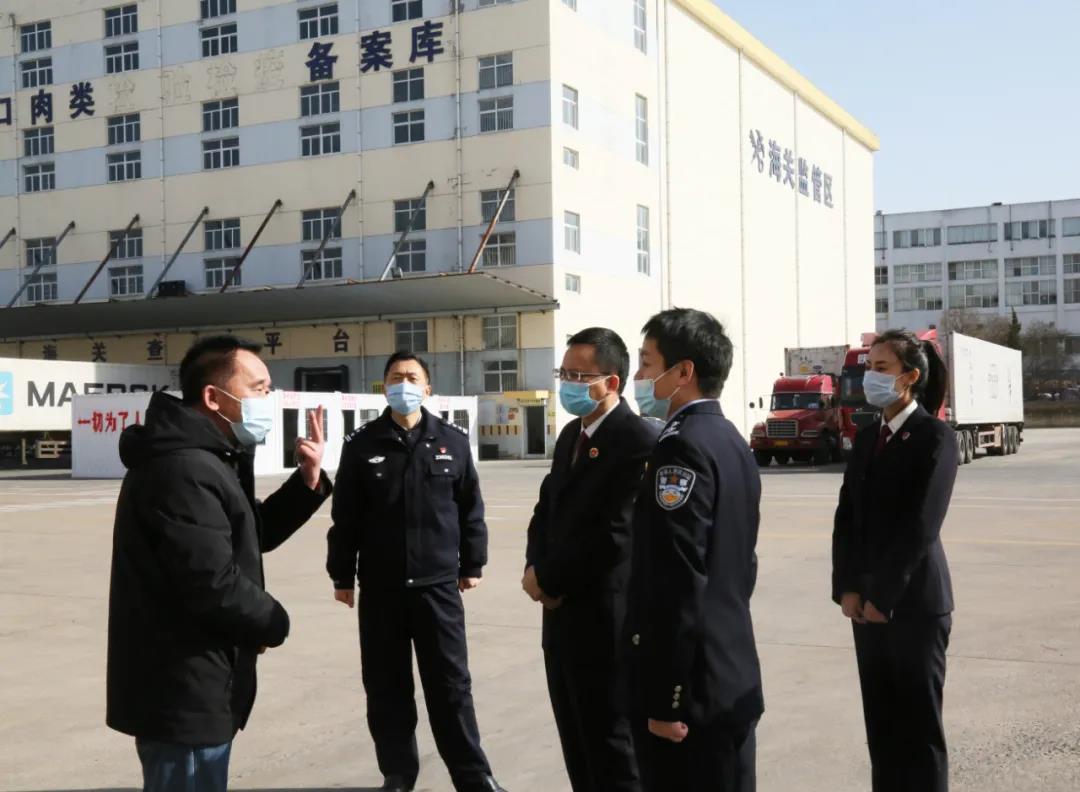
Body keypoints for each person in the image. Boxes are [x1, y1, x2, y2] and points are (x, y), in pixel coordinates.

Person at [106, 335, 332, 792]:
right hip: (183, 686)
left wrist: (306, 482)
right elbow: (210, 581)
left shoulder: (212, 459)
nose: (268, 399)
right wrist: (272, 621)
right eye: (258, 389)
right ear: (213, 397)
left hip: (202, 677)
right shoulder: (184, 468)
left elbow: (247, 535)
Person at [327, 352, 507, 792]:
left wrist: (473, 562)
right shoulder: (362, 444)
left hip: (437, 588)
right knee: (386, 687)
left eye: (412, 377)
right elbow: (345, 516)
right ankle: (397, 774)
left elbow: (470, 508)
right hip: (381, 589)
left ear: (427, 388)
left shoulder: (452, 441)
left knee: (451, 686)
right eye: (395, 377)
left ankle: (473, 776)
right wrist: (341, 575)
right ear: (384, 386)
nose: (403, 384)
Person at [626, 308, 763, 792]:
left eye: (647, 362)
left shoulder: (681, 447)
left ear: (683, 371)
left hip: (693, 694)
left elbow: (678, 578)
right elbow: (742, 565)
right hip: (728, 670)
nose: (639, 376)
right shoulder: (729, 439)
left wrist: (667, 696)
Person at [523, 327, 660, 792]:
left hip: (604, 621)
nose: (568, 384)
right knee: (576, 740)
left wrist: (551, 579)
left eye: (579, 376)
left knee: (611, 748)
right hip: (559, 619)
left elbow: (614, 535)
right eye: (564, 374)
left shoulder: (636, 440)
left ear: (612, 382)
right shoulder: (570, 436)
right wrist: (534, 569)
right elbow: (546, 510)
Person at [831, 329, 957, 792]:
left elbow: (921, 526)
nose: (871, 376)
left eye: (881, 368)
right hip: (866, 606)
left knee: (919, 732)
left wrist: (882, 597)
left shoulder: (935, 437)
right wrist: (847, 587)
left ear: (910, 377)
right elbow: (847, 518)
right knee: (882, 730)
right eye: (870, 367)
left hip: (914, 604)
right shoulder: (868, 439)